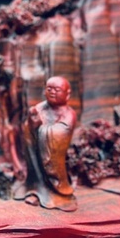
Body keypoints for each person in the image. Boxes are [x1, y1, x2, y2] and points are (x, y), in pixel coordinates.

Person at [22, 76, 78, 210]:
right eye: (49, 89)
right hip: (37, 152)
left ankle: (57, 194)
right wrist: (32, 124)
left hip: (53, 156)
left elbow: (61, 132)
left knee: (55, 168)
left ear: (67, 94)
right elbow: (28, 129)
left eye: (57, 90)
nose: (52, 92)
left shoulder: (69, 113)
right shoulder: (40, 108)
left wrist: (42, 129)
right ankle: (37, 191)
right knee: (36, 169)